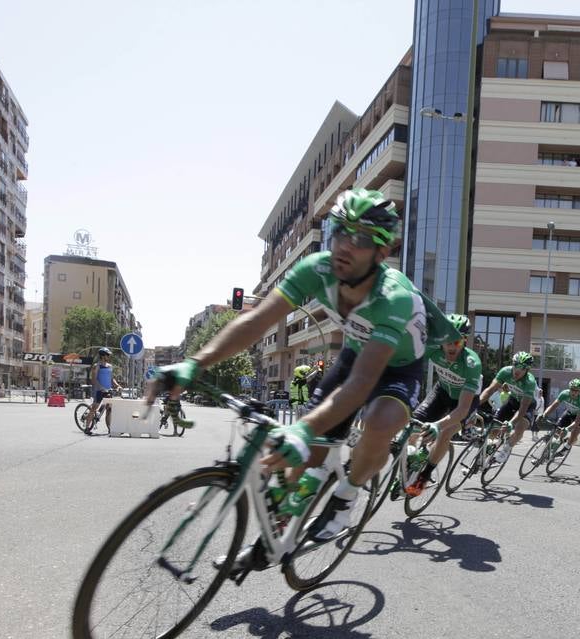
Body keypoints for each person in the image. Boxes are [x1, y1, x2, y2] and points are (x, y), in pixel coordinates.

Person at [149, 187, 448, 553]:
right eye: (339, 233)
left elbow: (361, 384)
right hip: (356, 354)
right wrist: (194, 363)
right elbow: (255, 322)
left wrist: (304, 429)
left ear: (382, 253)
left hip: (397, 368)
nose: (344, 246)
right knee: (303, 457)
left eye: (361, 240)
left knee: (379, 420)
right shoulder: (316, 270)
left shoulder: (393, 298)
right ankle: (283, 527)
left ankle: (347, 494)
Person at [405, 314, 480, 497]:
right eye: (448, 341)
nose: (451, 346)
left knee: (445, 432)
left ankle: (424, 475)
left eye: (457, 342)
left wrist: (437, 425)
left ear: (464, 341)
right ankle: (411, 462)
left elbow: (462, 409)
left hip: (463, 401)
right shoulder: (433, 349)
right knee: (412, 425)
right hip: (442, 392)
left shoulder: (471, 363)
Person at [476, 352, 538, 464]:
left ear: (527, 369)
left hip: (527, 406)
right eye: (516, 365)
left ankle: (506, 449)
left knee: (520, 426)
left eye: (522, 368)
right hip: (512, 401)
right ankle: (482, 458)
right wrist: (473, 405)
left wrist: (511, 423)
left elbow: (523, 408)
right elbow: (490, 390)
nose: (517, 370)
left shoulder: (530, 382)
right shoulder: (505, 371)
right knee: (493, 428)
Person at [542, 378, 580, 453]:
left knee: (575, 432)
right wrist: (544, 414)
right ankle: (549, 449)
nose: (573, 392)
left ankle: (566, 448)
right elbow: (553, 406)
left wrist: (568, 428)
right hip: (569, 412)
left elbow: (577, 421)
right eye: (572, 389)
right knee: (557, 430)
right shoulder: (564, 394)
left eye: (576, 390)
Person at [85, 348, 119, 434]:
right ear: (103, 356)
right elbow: (94, 379)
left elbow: (112, 378)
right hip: (99, 390)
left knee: (109, 409)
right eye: (107, 355)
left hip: (108, 391)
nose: (109, 356)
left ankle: (110, 429)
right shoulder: (97, 365)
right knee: (94, 408)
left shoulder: (110, 366)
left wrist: (117, 385)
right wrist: (101, 387)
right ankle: (87, 428)